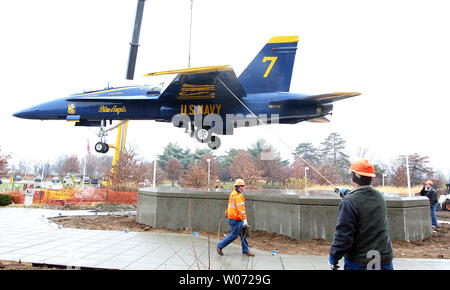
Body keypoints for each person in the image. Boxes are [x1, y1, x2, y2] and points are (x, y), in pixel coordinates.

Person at [329, 159, 394, 270]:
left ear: (353, 177)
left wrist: (334, 256)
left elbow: (343, 237)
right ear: (370, 178)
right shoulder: (379, 197)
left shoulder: (348, 202)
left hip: (359, 263)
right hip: (384, 260)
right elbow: (364, 196)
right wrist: (347, 192)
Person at [216, 179, 255, 256]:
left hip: (234, 217)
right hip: (236, 219)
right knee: (234, 235)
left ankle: (245, 251)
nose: (244, 187)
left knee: (243, 234)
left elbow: (231, 206)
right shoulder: (238, 196)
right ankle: (220, 246)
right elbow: (241, 209)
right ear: (239, 186)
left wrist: (228, 213)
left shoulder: (233, 194)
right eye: (242, 186)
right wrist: (244, 219)